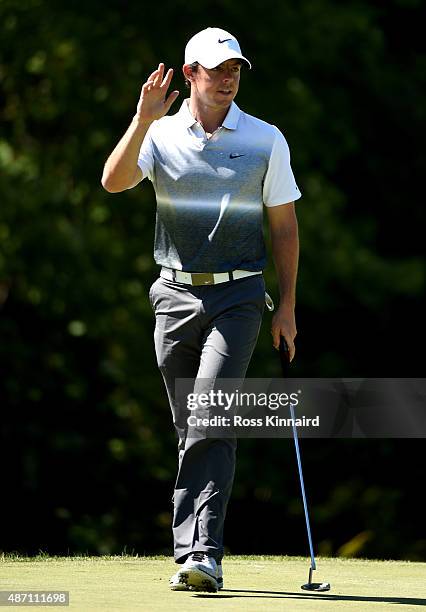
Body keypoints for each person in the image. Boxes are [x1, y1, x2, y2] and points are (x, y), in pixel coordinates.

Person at [101, 26, 301, 592]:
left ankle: (201, 553)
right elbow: (112, 182)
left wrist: (286, 306)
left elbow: (284, 226)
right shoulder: (160, 134)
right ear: (190, 75)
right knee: (190, 425)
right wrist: (141, 118)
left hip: (239, 296)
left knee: (210, 415)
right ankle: (192, 548)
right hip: (173, 295)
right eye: (216, 71)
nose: (228, 80)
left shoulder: (266, 139)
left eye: (235, 70)